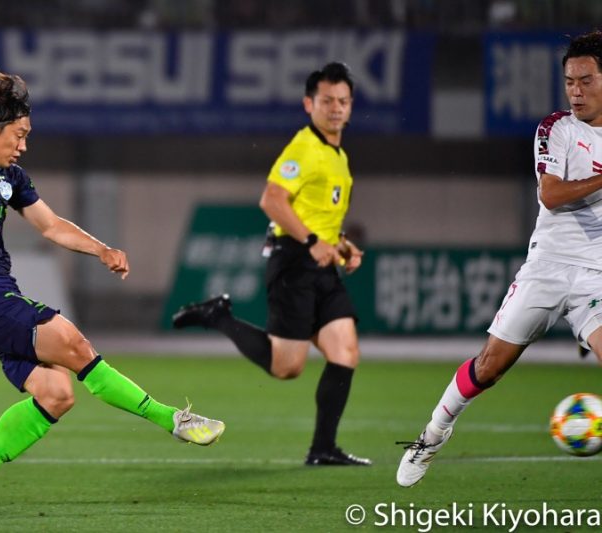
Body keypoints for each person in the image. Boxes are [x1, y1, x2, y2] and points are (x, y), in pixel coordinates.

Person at [0, 72, 225, 508]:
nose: (23, 146)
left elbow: (50, 225)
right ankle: (174, 420)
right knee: (73, 341)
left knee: (57, 394)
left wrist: (101, 249)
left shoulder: (10, 177)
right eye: (19, 135)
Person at [397, 29, 602, 487]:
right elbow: (551, 196)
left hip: (596, 278)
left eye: (585, 80)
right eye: (569, 80)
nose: (575, 90)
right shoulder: (556, 129)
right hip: (546, 268)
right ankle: (432, 434)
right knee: (489, 366)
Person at [172, 62, 371, 467]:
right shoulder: (303, 147)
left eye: (343, 101)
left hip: (321, 265)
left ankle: (322, 449)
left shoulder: (337, 154)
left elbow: (318, 215)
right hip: (294, 264)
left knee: (345, 350)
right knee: (288, 367)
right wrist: (313, 241)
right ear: (308, 104)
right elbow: (272, 200)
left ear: (351, 107)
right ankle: (218, 316)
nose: (336, 108)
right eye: (327, 100)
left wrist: (343, 245)